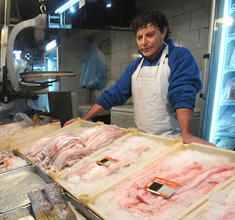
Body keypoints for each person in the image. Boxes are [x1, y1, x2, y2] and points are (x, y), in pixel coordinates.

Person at [65, 10, 213, 145]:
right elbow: (114, 94)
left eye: (150, 35)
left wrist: (186, 134)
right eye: (139, 37)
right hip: (142, 141)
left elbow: (182, 92)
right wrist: (84, 119)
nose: (144, 42)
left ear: (163, 32)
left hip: (171, 141)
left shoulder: (179, 56)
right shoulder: (136, 66)